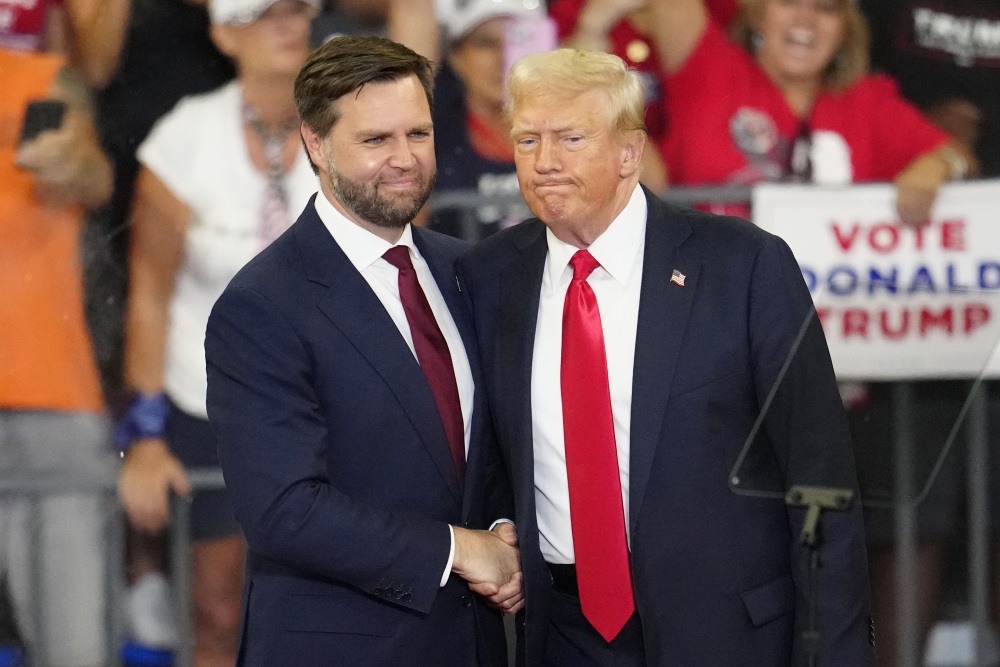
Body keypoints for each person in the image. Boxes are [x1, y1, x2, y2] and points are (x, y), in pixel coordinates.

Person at [457, 47, 874, 666]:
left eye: (571, 138)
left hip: (729, 636)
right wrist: (497, 530)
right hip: (563, 637)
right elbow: (488, 451)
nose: (545, 163)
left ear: (630, 151)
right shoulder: (489, 278)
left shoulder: (743, 265)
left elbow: (821, 479)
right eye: (527, 141)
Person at [204, 35, 520, 665]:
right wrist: (458, 549)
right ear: (315, 144)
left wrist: (504, 529)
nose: (404, 159)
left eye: (419, 134)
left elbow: (488, 447)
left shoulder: (467, 273)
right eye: (376, 140)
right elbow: (284, 509)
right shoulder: (262, 305)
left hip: (472, 646)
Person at [113, 0, 318, 663]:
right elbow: (148, 292)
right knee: (218, 606)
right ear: (223, 34)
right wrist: (145, 433)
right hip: (210, 400)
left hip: (329, 401)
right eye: (264, 14)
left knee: (334, 601)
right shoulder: (185, 136)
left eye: (298, 10)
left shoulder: (350, 121)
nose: (287, 25)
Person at [646, 0, 972, 225]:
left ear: (844, 29)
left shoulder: (866, 102)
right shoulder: (709, 69)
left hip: (822, 314)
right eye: (788, 2)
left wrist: (937, 166)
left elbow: (957, 154)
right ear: (759, 15)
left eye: (826, 7)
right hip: (704, 299)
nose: (806, 20)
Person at [0, 47, 115, 667]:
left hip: (48, 394)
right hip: (51, 406)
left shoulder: (36, 81)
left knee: (74, 652)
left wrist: (67, 155)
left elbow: (87, 172)